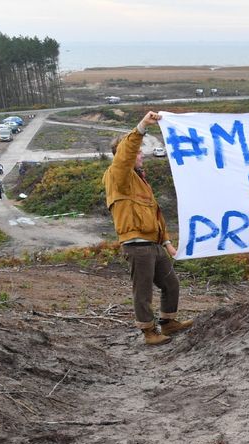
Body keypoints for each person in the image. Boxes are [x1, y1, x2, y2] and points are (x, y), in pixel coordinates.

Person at [103, 110, 192, 346]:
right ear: (123, 154)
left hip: (153, 244)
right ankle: (149, 332)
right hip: (137, 245)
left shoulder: (139, 180)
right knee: (142, 291)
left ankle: (168, 322)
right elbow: (126, 153)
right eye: (138, 151)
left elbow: (154, 214)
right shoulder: (118, 175)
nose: (141, 154)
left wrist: (167, 243)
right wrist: (142, 125)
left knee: (170, 283)